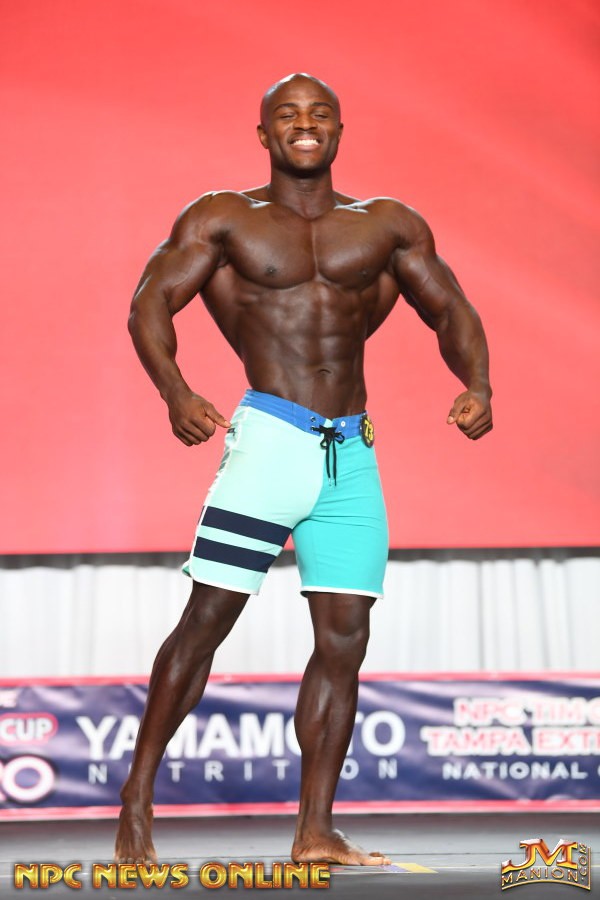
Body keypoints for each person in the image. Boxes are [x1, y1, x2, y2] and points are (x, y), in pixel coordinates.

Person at [115, 72, 493, 866]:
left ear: (340, 130)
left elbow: (450, 307)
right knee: (208, 620)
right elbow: (149, 303)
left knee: (345, 638)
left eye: (319, 113)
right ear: (265, 134)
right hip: (271, 441)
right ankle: (137, 801)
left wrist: (478, 384)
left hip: (350, 452)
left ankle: (314, 829)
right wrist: (175, 391)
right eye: (287, 115)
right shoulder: (223, 216)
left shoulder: (386, 225)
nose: (305, 124)